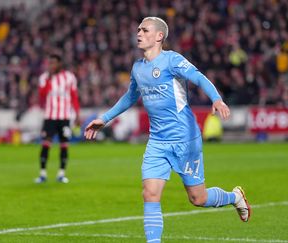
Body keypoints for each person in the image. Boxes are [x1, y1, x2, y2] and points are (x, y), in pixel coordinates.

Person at [85, 17, 250, 242]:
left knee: (198, 198)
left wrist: (217, 99)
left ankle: (235, 197)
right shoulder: (137, 68)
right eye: (138, 29)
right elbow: (130, 97)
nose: (139, 33)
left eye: (145, 30)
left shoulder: (172, 60)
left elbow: (198, 78)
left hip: (185, 140)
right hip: (157, 142)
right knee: (150, 194)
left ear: (159, 36)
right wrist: (104, 118)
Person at [35, 54, 80, 184]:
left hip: (65, 117)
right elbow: (42, 96)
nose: (51, 65)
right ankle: (42, 174)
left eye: (54, 63)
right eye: (49, 63)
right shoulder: (44, 77)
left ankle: (61, 173)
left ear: (60, 63)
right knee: (45, 144)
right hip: (49, 117)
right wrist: (49, 79)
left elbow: (74, 96)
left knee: (64, 145)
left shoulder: (69, 77)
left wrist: (77, 114)